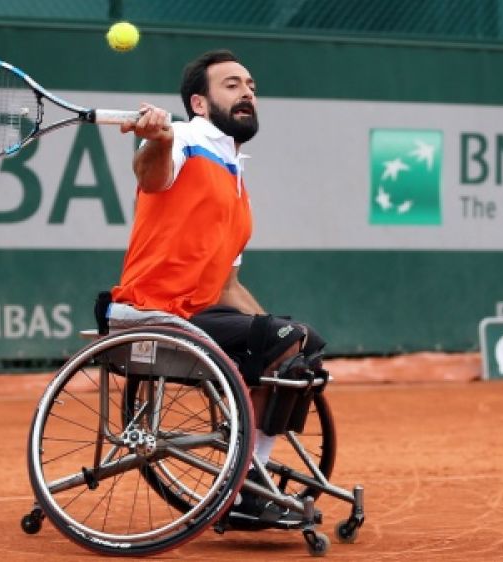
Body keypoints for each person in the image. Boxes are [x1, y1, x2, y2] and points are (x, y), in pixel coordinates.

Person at [113, 50, 327, 520]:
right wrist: (156, 139)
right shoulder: (185, 137)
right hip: (153, 310)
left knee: (302, 342)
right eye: (231, 85)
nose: (247, 91)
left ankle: (250, 468)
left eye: (250, 84)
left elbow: (228, 286)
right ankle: (246, 489)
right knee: (285, 344)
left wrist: (281, 339)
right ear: (201, 102)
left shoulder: (235, 177)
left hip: (198, 312)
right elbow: (151, 177)